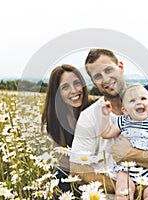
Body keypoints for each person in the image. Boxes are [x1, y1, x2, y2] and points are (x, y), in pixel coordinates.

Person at [69, 48, 148, 198]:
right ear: (93, 81)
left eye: (108, 70)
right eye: (98, 76)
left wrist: (131, 154)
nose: (105, 79)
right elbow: (77, 170)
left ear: (120, 67)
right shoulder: (89, 117)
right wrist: (128, 188)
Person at [41, 64, 91, 196]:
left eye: (77, 83)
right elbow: (62, 159)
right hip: (71, 173)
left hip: (96, 173)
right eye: (65, 87)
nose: (74, 91)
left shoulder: (95, 109)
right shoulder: (55, 120)